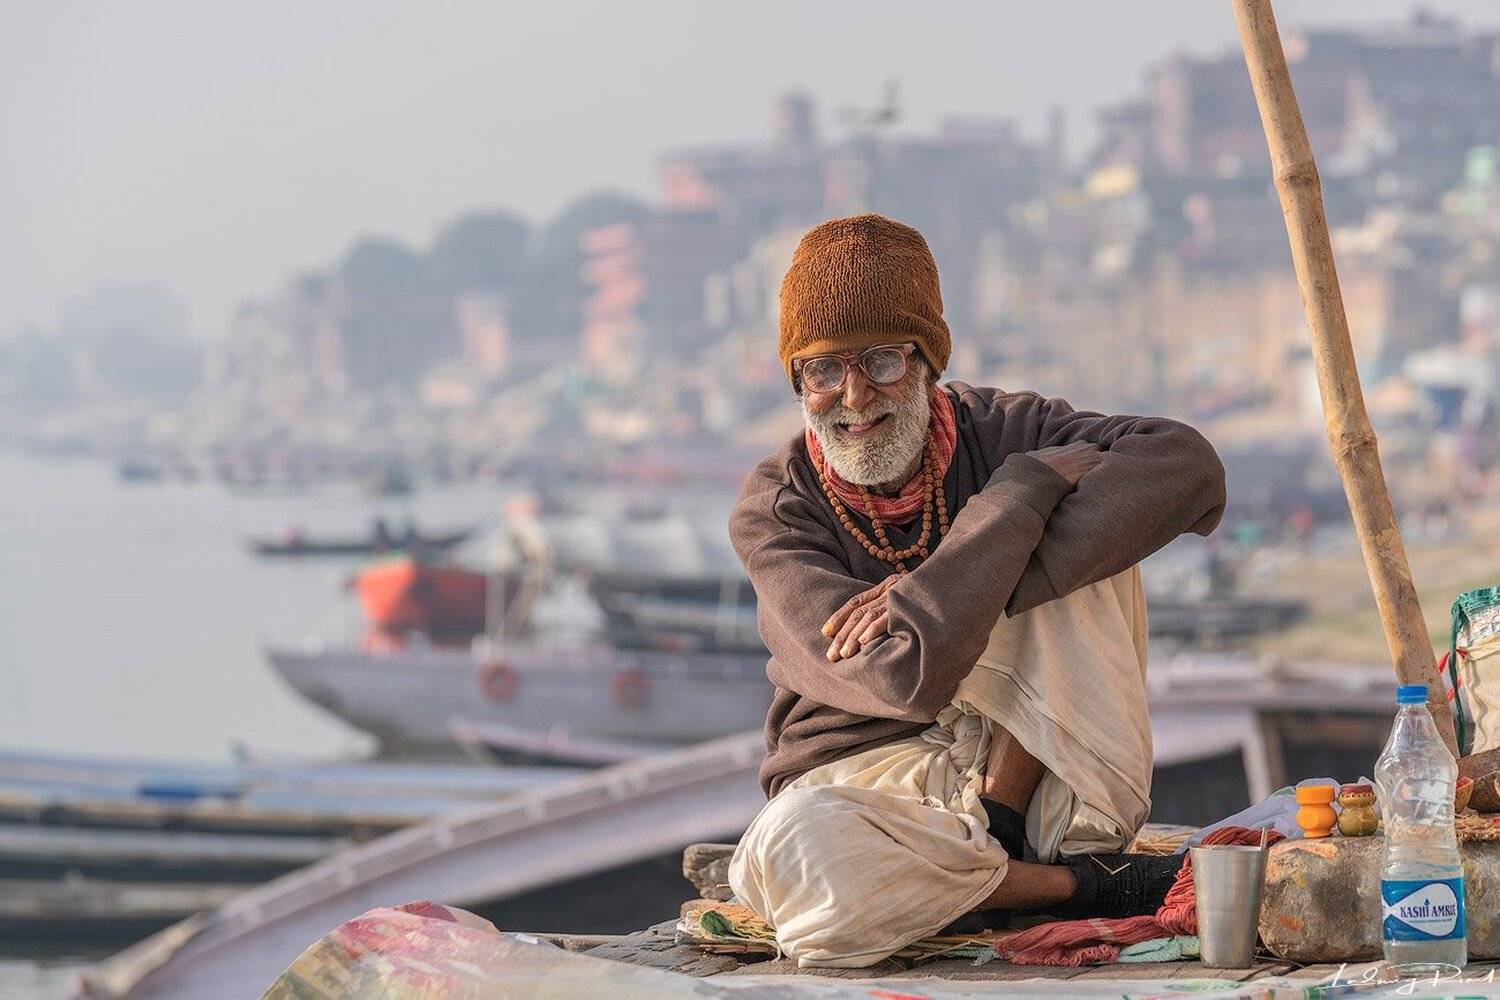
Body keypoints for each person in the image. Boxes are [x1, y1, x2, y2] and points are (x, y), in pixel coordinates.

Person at [727, 214, 1227, 967]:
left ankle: (996, 845)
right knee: (795, 852)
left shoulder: (1007, 432)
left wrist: (996, 516)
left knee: (1097, 533)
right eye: (824, 370)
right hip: (873, 793)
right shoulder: (778, 509)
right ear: (799, 381)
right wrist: (1009, 512)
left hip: (1050, 784)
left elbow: (1188, 468)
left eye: (883, 361)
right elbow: (900, 676)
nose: (855, 397)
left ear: (927, 359)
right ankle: (1069, 889)